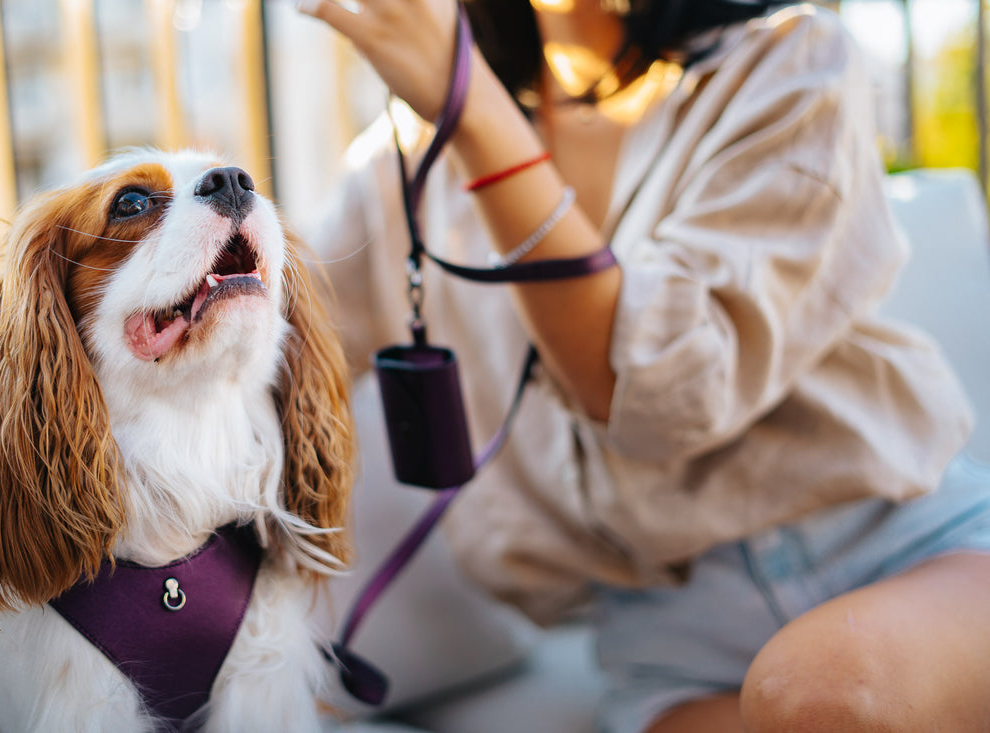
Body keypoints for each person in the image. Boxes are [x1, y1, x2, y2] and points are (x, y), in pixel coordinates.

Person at [296, 0, 990, 731]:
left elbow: (658, 392)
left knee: (821, 695)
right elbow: (276, 337)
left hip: (900, 544)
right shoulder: (402, 167)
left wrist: (470, 106)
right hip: (670, 641)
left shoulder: (787, 60)